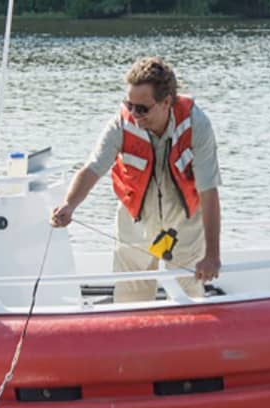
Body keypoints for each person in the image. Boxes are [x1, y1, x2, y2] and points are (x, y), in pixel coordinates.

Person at [49, 57, 222, 303]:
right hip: (136, 222)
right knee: (130, 299)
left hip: (184, 221)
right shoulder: (121, 123)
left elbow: (209, 191)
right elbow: (92, 169)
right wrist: (69, 204)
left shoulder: (197, 124)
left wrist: (213, 255)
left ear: (166, 102)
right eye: (129, 104)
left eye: (142, 108)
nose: (134, 114)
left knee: (188, 296)